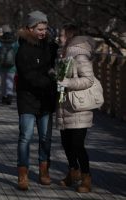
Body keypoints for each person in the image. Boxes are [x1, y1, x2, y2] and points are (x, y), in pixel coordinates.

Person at [15, 10, 57, 190]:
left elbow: (52, 67)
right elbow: (28, 75)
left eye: (45, 28)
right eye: (39, 28)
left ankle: (44, 170)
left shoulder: (49, 46)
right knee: (25, 137)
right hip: (28, 98)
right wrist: (49, 81)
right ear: (30, 29)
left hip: (46, 99)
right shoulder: (23, 49)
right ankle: (23, 174)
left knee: (45, 138)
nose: (43, 32)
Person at [57, 23, 96, 193]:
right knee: (66, 143)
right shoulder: (63, 55)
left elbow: (88, 80)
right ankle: (73, 172)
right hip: (64, 105)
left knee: (77, 144)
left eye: (62, 35)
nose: (59, 37)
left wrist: (68, 83)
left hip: (79, 107)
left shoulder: (80, 56)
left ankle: (86, 177)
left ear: (70, 37)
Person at [0, 24, 18, 105]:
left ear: (3, 31)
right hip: (12, 65)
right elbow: (17, 52)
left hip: (1, 64)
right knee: (10, 80)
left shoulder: (0, 41)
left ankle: (4, 96)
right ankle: (9, 95)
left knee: (3, 81)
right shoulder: (14, 40)